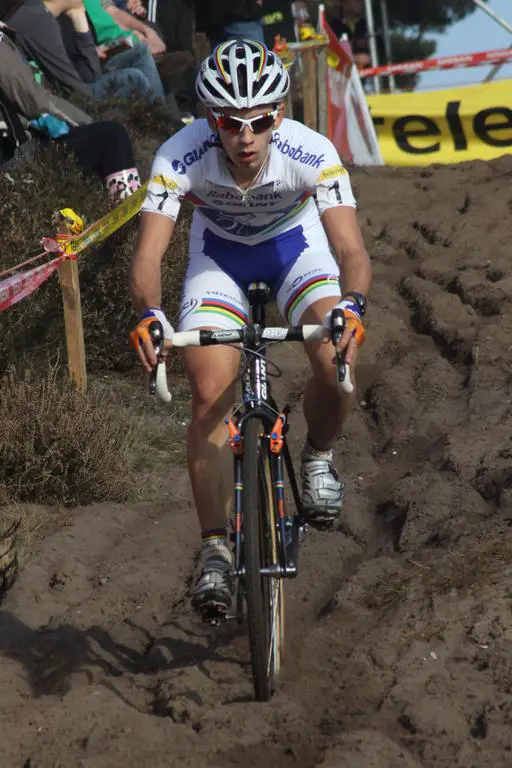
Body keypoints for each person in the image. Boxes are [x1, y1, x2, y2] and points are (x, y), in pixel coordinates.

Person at [128, 39, 371, 616]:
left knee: (335, 362)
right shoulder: (179, 156)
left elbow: (350, 250)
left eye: (260, 120)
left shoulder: (311, 151)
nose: (246, 135)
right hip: (219, 258)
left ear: (278, 114)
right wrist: (148, 313)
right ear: (211, 119)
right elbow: (147, 258)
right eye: (231, 122)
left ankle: (315, 458)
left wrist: (353, 305)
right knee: (210, 392)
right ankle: (215, 549)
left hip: (296, 251)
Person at [0, 24, 141, 199]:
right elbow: (36, 102)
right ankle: (129, 216)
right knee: (111, 137)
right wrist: (85, 122)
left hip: (22, 150)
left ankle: (114, 209)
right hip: (18, 158)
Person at [328, 0, 370, 70]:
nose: (361, 3)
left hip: (368, 72)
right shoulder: (335, 26)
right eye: (356, 1)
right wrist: (356, 58)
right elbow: (334, 55)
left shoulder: (364, 24)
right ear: (344, 3)